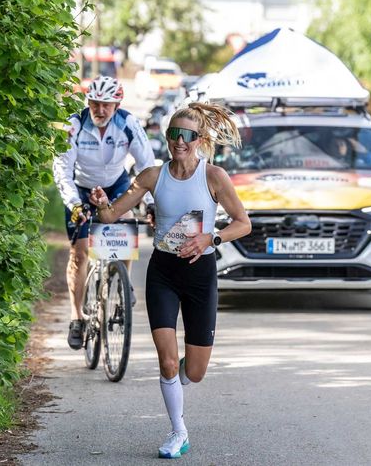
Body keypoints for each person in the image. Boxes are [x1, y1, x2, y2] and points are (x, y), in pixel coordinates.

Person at [89, 102, 251, 459]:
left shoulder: (214, 177)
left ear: (201, 139)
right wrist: (102, 202)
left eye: (188, 135)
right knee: (165, 361)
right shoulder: (152, 175)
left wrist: (212, 238)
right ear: (166, 137)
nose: (180, 141)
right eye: (174, 134)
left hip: (200, 275)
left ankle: (177, 381)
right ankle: (178, 431)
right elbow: (112, 213)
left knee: (194, 371)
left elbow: (244, 222)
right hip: (163, 272)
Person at [52, 75, 156, 350]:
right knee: (80, 252)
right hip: (82, 187)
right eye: (95, 103)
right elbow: (62, 169)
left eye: (106, 105)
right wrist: (74, 203)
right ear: (88, 102)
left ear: (117, 104)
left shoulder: (128, 124)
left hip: (116, 183)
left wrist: (153, 201)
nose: (100, 110)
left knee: (127, 222)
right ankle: (77, 317)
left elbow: (147, 165)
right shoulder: (74, 126)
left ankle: (124, 283)